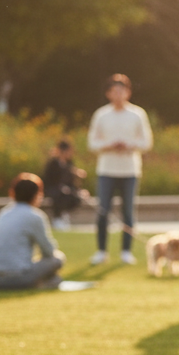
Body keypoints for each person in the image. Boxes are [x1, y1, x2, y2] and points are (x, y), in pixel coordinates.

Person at [86, 74, 153, 265]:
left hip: (130, 170)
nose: (118, 94)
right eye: (114, 91)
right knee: (103, 211)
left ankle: (126, 251)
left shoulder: (137, 114)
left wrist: (129, 145)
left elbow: (146, 142)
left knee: (128, 212)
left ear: (128, 92)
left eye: (122, 90)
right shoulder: (101, 115)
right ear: (108, 93)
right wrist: (109, 145)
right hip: (106, 169)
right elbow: (92, 142)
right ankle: (101, 251)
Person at [0, 174, 66, 291]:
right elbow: (48, 251)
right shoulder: (35, 216)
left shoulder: (3, 213)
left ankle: (46, 281)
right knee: (58, 259)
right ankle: (46, 282)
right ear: (36, 195)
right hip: (16, 278)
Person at [42, 138, 88, 230]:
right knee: (61, 195)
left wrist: (79, 190)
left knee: (75, 197)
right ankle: (57, 218)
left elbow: (71, 181)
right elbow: (48, 179)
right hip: (53, 189)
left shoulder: (69, 163)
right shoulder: (53, 163)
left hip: (67, 189)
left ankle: (64, 214)